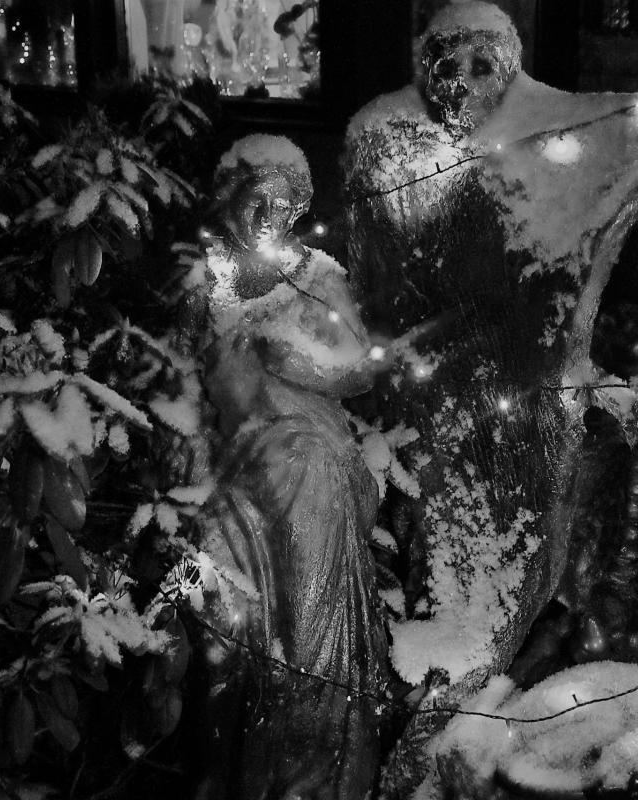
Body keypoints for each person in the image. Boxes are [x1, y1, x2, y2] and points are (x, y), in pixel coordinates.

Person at [192, 134, 388, 800]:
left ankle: (311, 756)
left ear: (300, 208)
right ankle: (234, 767)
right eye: (256, 201)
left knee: (307, 620)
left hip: (311, 462)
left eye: (281, 204)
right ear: (230, 200)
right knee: (215, 618)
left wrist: (297, 359)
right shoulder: (207, 281)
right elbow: (182, 376)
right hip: (234, 467)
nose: (267, 217)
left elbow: (359, 370)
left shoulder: (318, 275)